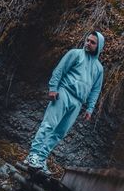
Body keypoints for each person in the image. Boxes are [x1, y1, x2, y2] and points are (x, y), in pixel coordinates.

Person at [24, 31, 105, 174]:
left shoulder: (99, 68)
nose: (88, 43)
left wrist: (90, 109)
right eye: (87, 40)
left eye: (93, 42)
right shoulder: (75, 54)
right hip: (64, 93)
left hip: (78, 103)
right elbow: (59, 70)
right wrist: (53, 88)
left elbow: (95, 90)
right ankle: (33, 155)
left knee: (60, 132)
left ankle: (41, 159)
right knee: (49, 125)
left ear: (99, 46)